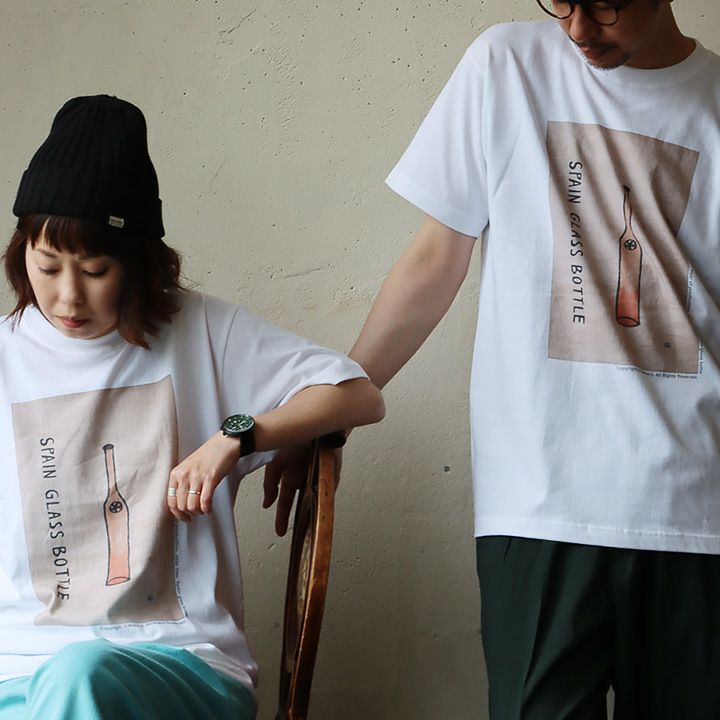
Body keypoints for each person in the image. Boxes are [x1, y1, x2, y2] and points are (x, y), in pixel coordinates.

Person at [261, 1, 720, 717]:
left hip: (697, 511)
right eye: (561, 2)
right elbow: (433, 262)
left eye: (603, 4)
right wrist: (331, 409)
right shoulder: (507, 66)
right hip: (539, 501)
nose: (578, 29)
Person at [0, 94, 384, 720]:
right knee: (66, 678)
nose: (66, 297)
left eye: (93, 271)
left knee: (80, 674)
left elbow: (356, 394)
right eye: (47, 267)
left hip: (180, 664)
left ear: (135, 263)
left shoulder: (200, 331)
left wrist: (237, 436)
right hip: (17, 672)